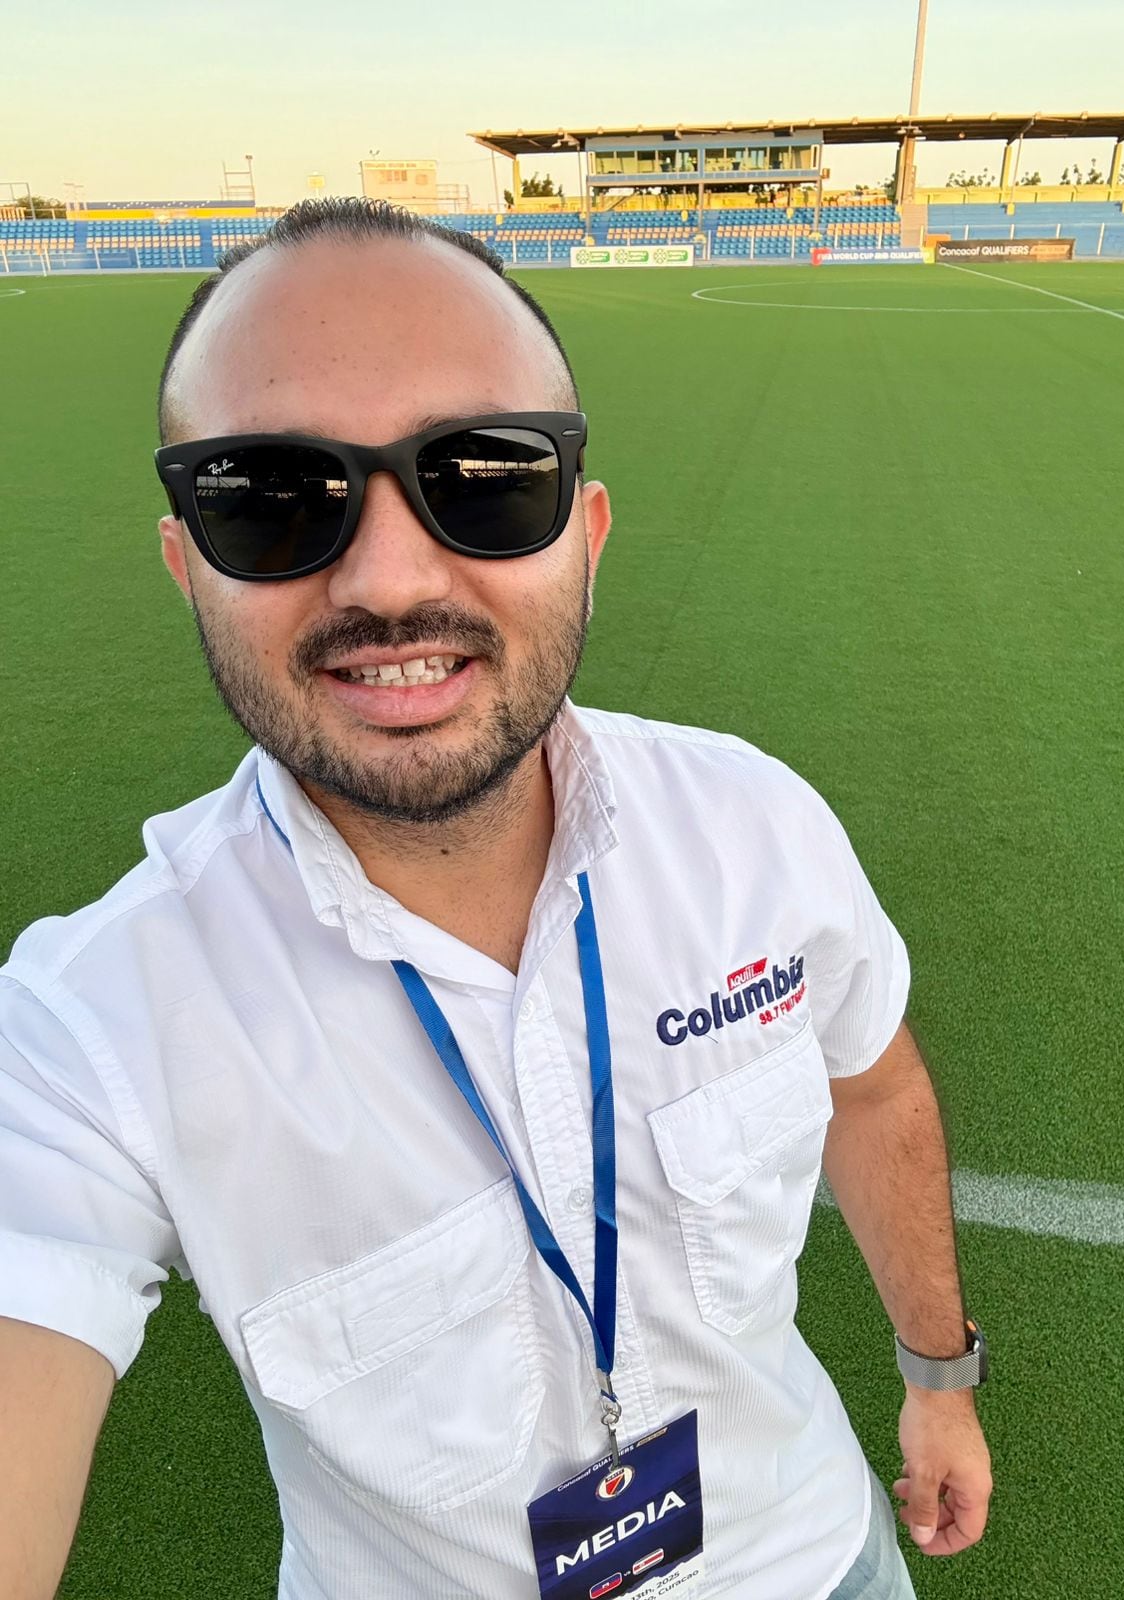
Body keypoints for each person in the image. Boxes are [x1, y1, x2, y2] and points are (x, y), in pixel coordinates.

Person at [0, 197, 992, 1600]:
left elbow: (875, 1089)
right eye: (271, 499)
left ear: (585, 533)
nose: (391, 578)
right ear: (188, 566)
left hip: (818, 1559)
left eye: (484, 477)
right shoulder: (86, 1032)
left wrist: (937, 1377)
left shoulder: (757, 828)